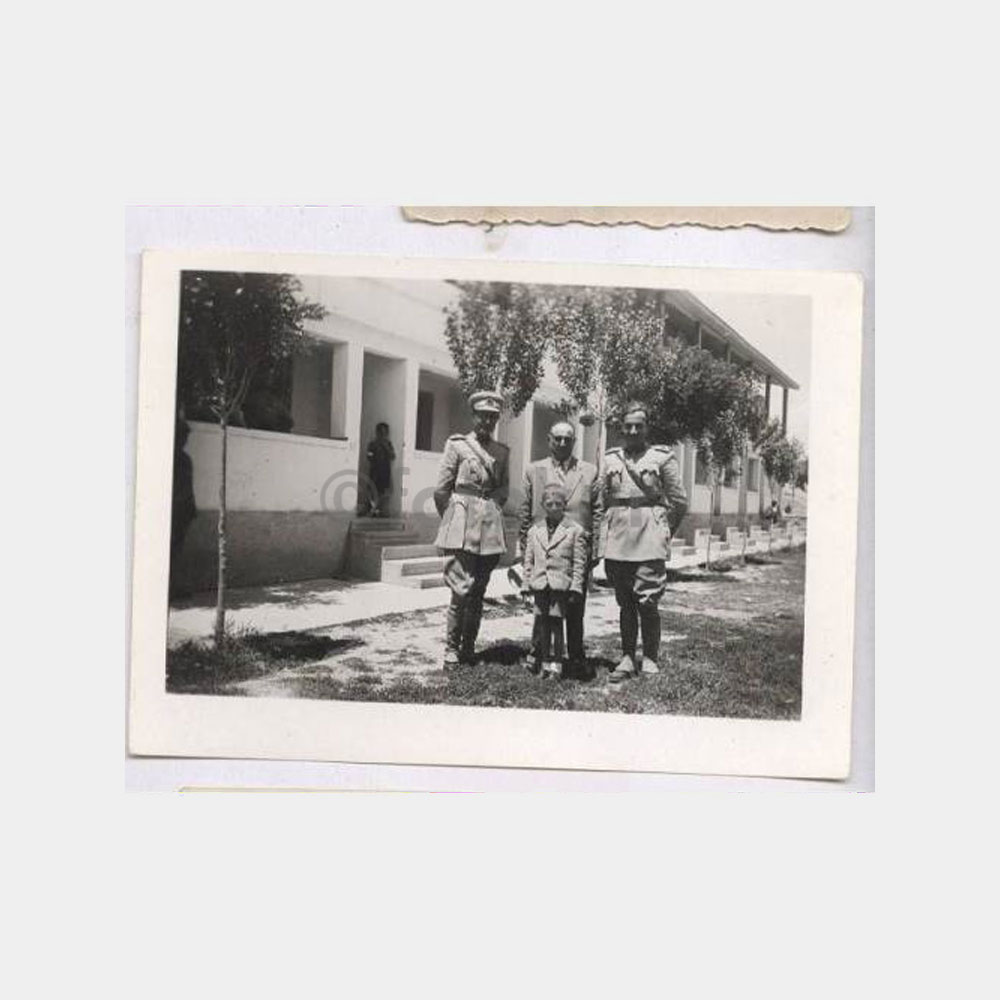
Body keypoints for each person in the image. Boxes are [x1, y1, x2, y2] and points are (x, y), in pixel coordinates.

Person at [598, 401, 688, 684]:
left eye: (639, 425)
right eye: (628, 426)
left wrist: (664, 531)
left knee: (647, 601)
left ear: (647, 428)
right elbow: (601, 499)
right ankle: (627, 657)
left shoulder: (661, 457)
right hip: (619, 537)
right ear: (621, 429)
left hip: (649, 535)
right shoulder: (611, 458)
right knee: (625, 601)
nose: (633, 431)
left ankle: (650, 657)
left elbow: (679, 501)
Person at [517, 420, 602, 678]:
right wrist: (525, 548)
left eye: (568, 439)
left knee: (575, 605)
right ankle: (538, 654)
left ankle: (575, 656)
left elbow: (598, 512)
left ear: (574, 442)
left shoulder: (589, 471)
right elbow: (525, 511)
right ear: (549, 439)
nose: (562, 443)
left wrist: (595, 549)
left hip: (576, 550)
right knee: (543, 605)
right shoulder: (534, 470)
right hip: (543, 547)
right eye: (558, 438)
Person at [433, 390, 510, 668]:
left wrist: (491, 510)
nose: (487, 422)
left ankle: (469, 648)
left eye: (492, 417)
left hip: (489, 529)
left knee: (478, 591)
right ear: (473, 416)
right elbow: (441, 490)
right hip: (461, 526)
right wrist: (453, 519)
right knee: (460, 590)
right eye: (483, 416)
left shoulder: (502, 452)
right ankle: (451, 649)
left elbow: (503, 490)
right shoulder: (457, 445)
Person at [520, 483, 587, 679]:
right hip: (540, 584)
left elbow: (579, 562)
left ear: (565, 505)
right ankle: (544, 662)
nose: (554, 508)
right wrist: (526, 585)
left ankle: (557, 664)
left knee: (557, 624)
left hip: (560, 586)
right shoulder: (534, 531)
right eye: (549, 504)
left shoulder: (574, 530)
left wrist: (575, 587)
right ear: (543, 505)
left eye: (558, 504)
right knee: (542, 624)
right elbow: (529, 561)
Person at [170, 415, 197, 599]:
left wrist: (190, 509)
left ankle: (174, 586)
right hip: (172, 512)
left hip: (183, 512)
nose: (184, 440)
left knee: (177, 551)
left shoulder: (185, 459)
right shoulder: (171, 458)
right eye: (182, 436)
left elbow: (188, 488)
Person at [364, 422, 395, 517]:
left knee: (384, 492)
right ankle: (373, 509)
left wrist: (385, 447)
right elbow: (369, 456)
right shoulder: (372, 444)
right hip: (375, 472)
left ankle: (382, 510)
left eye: (385, 433)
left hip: (385, 472)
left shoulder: (388, 444)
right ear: (377, 433)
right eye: (381, 433)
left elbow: (393, 456)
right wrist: (374, 457)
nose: (383, 435)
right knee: (373, 491)